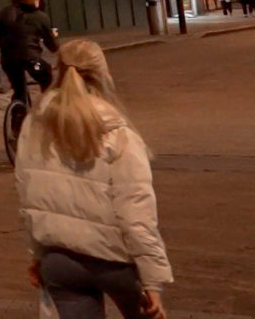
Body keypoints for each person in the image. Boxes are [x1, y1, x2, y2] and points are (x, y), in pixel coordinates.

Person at [14, 39, 174, 319]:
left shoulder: (35, 124)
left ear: (58, 71)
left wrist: (38, 255)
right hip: (115, 262)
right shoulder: (117, 131)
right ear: (103, 74)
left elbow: (29, 197)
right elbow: (136, 213)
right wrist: (152, 281)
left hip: (59, 260)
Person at [0, 0, 59, 111]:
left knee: (19, 89)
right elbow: (53, 46)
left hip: (8, 60)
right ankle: (47, 109)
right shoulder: (40, 17)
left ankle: (17, 119)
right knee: (46, 76)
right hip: (31, 59)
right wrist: (53, 36)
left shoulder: (4, 13)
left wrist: (6, 44)